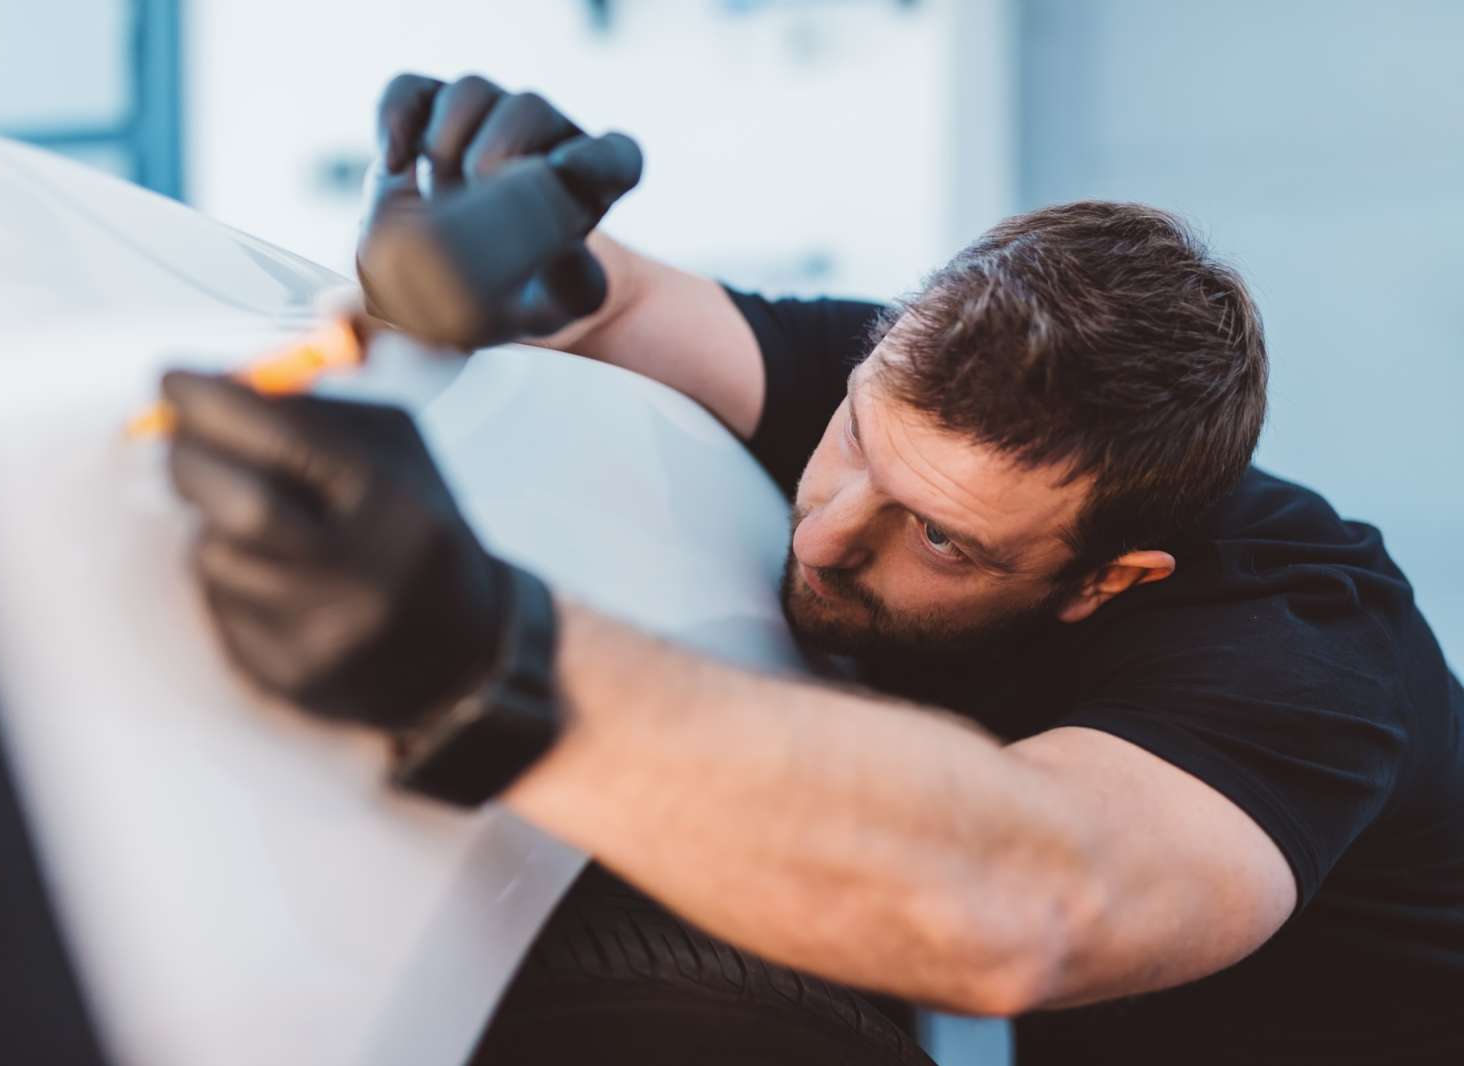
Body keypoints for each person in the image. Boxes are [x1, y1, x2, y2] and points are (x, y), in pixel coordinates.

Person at [161, 75, 1464, 1063]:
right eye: (850, 443)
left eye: (941, 539)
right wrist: (487, 241)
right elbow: (614, 301)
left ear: (1108, 580)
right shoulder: (922, 404)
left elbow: (1028, 897)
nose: (829, 531)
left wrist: (495, 660)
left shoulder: (1309, 654)